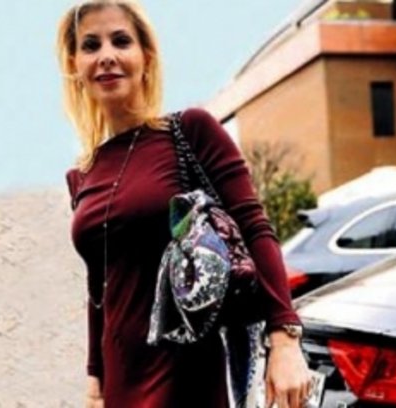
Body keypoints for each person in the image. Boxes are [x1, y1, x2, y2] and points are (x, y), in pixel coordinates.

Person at [56, 1, 312, 407]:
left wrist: (284, 338)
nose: (106, 55)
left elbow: (255, 227)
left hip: (188, 369)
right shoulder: (82, 175)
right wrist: (95, 384)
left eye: (120, 41)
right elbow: (98, 291)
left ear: (146, 57)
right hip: (122, 377)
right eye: (91, 45)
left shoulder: (190, 132)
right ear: (75, 65)